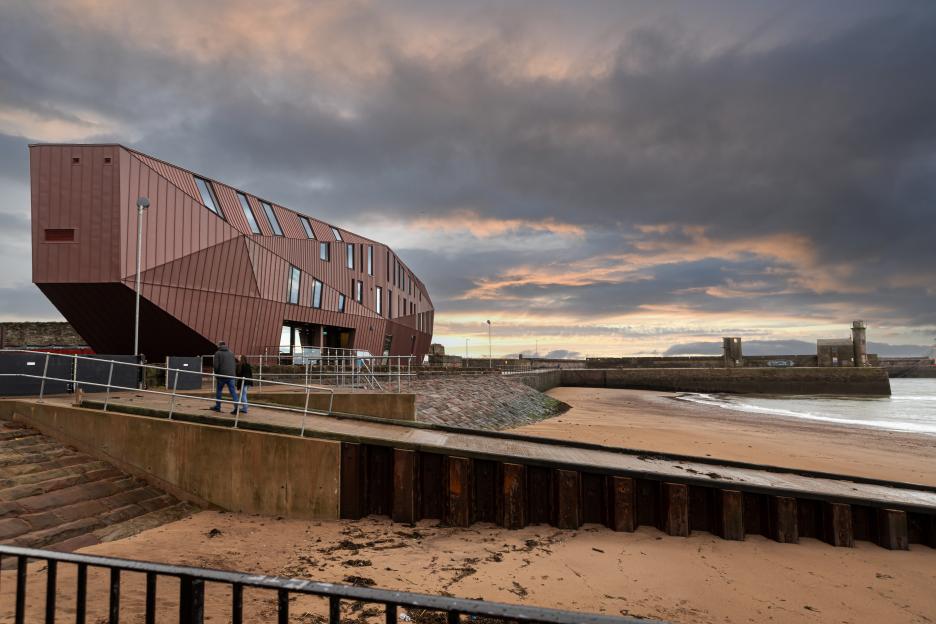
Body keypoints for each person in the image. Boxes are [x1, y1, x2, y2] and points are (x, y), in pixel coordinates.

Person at [211, 341, 239, 413]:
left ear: (219, 345)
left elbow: (216, 366)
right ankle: (236, 407)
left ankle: (218, 406)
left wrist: (217, 375)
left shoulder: (218, 353)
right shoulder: (231, 353)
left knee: (219, 391)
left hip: (222, 375)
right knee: (233, 392)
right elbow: (234, 364)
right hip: (231, 376)